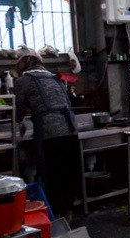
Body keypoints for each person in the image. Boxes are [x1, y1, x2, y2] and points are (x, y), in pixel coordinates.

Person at [14, 54, 80, 221]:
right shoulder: (55, 78)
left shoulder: (23, 81)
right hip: (70, 130)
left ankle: (56, 216)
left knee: (52, 174)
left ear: (21, 68)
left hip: (50, 133)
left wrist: (18, 122)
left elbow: (18, 109)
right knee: (69, 173)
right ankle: (69, 214)